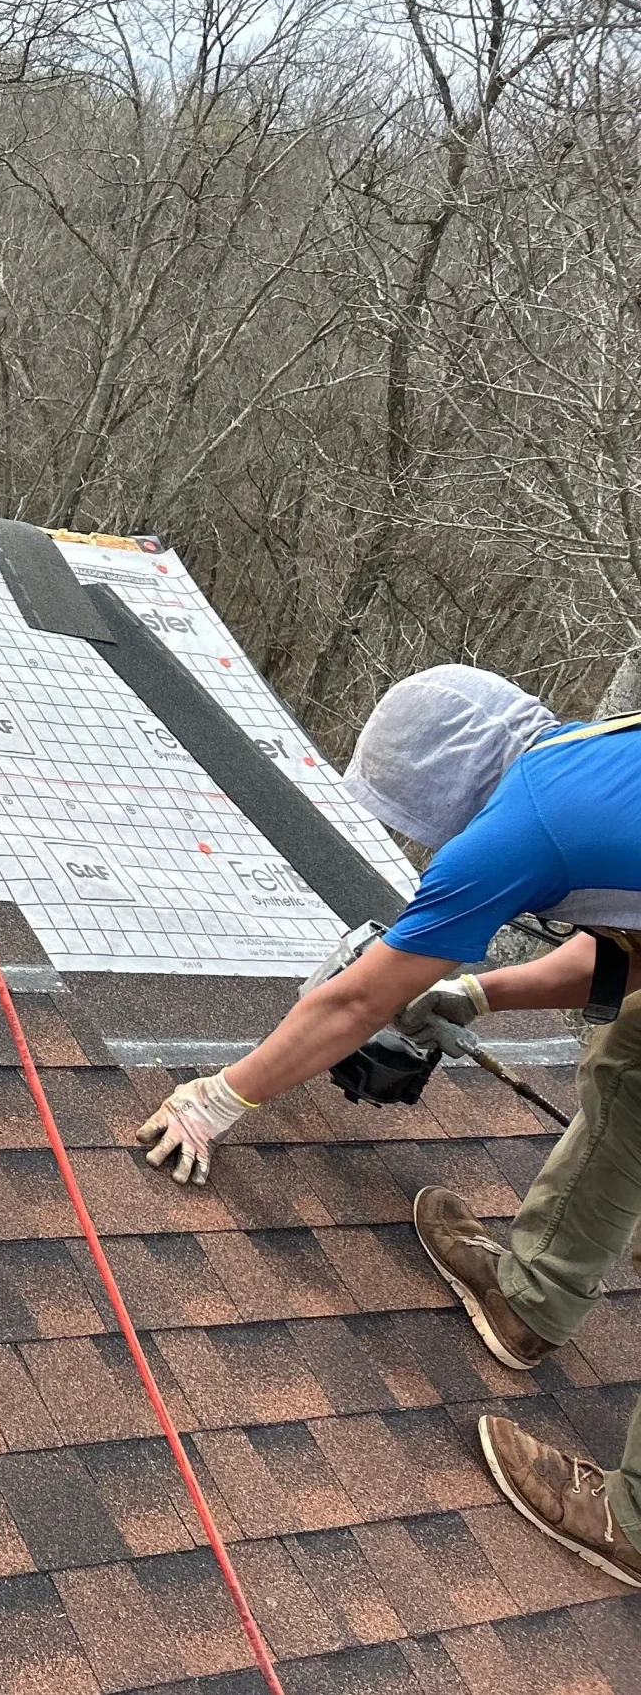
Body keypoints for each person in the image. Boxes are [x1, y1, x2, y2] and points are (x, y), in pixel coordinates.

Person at [131, 664, 641, 1586]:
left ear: (442, 787)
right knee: (630, 1058)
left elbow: (358, 999)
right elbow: (623, 952)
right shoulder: (588, 761)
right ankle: (531, 1299)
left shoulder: (520, 828)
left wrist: (218, 1098)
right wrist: (478, 990)